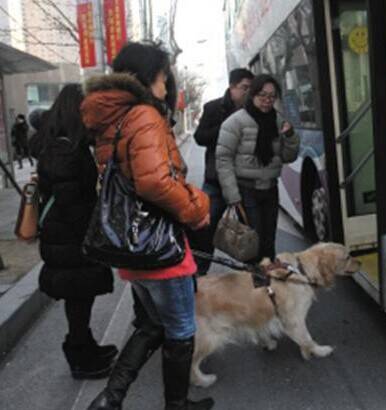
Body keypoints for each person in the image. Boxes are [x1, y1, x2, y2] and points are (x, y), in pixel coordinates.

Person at [82, 42, 214, 410]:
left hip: (134, 243)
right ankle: (177, 405)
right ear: (147, 76)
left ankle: (111, 398)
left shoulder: (113, 117)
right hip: (159, 246)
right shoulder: (143, 115)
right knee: (181, 329)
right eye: (163, 75)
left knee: (153, 325)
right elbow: (155, 182)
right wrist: (197, 208)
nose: (167, 83)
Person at [30, 84, 117, 379]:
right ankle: (80, 357)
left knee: (81, 297)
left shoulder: (62, 144)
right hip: (71, 236)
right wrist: (93, 234)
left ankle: (86, 345)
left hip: (66, 234)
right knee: (78, 297)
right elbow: (70, 201)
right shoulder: (65, 149)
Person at [216, 73, 300, 262]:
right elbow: (223, 160)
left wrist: (291, 136)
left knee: (269, 241)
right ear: (252, 95)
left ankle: (268, 285)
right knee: (252, 242)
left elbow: (288, 156)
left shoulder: (278, 121)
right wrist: (232, 195)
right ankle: (255, 284)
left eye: (271, 96)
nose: (267, 100)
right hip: (247, 190)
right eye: (262, 95)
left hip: (270, 188)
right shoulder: (235, 122)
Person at [192, 68, 253, 275]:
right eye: (244, 88)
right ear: (232, 87)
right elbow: (200, 138)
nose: (248, 92)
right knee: (204, 230)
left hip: (245, 181)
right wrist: (227, 127)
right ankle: (199, 275)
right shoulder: (213, 108)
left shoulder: (254, 109)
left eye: (251, 88)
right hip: (215, 181)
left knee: (250, 231)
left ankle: (254, 276)